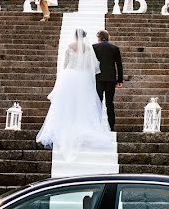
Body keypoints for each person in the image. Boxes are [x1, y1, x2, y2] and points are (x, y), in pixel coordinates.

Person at [36, 29, 115, 159]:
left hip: (70, 76)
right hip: (83, 77)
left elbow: (65, 65)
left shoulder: (69, 48)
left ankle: (65, 125)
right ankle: (81, 124)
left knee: (67, 102)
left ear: (74, 36)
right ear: (84, 37)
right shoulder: (88, 49)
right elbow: (94, 67)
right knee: (82, 103)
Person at [93, 30, 124, 130]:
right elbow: (119, 65)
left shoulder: (94, 47)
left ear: (99, 37)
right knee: (110, 103)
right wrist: (120, 80)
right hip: (111, 79)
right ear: (107, 37)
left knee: (98, 101)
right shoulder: (115, 48)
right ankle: (111, 126)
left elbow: (91, 64)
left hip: (98, 78)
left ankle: (97, 124)